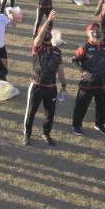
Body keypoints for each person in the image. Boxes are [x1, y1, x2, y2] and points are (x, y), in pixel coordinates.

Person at [71, 23, 105, 136]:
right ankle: (76, 125)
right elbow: (74, 60)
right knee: (81, 105)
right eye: (95, 37)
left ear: (102, 36)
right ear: (90, 36)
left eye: (99, 37)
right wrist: (82, 71)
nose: (97, 39)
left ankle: (99, 124)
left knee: (102, 105)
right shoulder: (84, 47)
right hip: (88, 83)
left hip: (104, 83)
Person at [24, 12, 65, 146]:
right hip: (36, 85)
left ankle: (46, 134)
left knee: (50, 113)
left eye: (49, 32)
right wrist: (47, 21)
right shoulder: (37, 47)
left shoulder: (57, 52)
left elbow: (60, 69)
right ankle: (27, 134)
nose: (46, 33)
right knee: (31, 111)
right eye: (45, 31)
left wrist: (63, 84)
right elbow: (38, 37)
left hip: (51, 87)